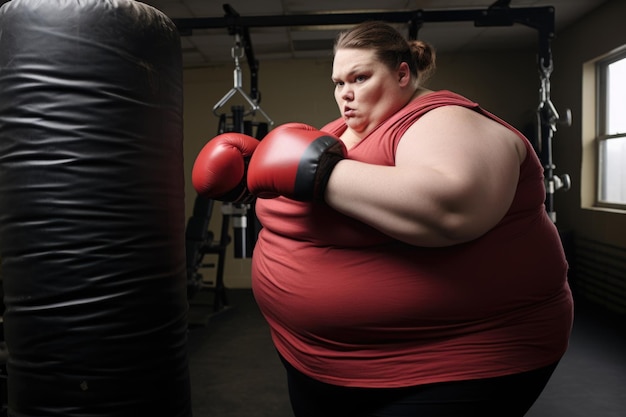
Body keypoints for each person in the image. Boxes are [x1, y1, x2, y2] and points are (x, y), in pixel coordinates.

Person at [192, 21, 574, 417]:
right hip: (317, 361)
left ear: (402, 73)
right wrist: (250, 183)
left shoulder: (442, 118)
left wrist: (318, 174)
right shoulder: (340, 131)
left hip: (450, 362)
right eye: (338, 83)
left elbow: (452, 209)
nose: (346, 94)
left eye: (360, 77)